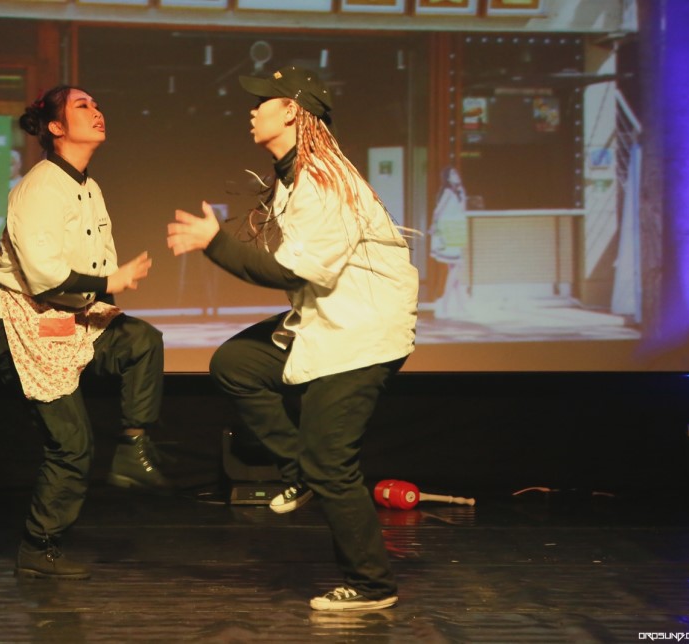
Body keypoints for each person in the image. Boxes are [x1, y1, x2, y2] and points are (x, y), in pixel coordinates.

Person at [166, 66, 418, 612]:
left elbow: (292, 271)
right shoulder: (295, 175)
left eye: (263, 101)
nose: (252, 109)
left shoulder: (322, 181)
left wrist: (215, 242)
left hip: (363, 330)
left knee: (332, 461)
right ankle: (297, 471)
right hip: (329, 319)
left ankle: (372, 584)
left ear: (292, 112)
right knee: (237, 364)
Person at [0, 84, 172, 580]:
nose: (97, 111)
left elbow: (97, 264)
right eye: (82, 106)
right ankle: (38, 547)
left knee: (142, 341)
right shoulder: (39, 188)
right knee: (71, 446)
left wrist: (108, 285)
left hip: (72, 317)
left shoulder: (89, 186)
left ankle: (133, 447)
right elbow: (44, 278)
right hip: (28, 324)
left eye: (96, 104)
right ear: (56, 127)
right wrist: (111, 282)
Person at [428, 166, 470, 319]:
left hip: (456, 229)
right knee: (457, 266)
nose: (456, 175)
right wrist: (434, 226)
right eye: (452, 174)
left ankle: (460, 307)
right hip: (448, 230)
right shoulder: (447, 192)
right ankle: (446, 305)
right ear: (447, 178)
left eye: (456, 173)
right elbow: (437, 211)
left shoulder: (459, 192)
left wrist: (462, 193)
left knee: (454, 269)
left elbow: (462, 211)